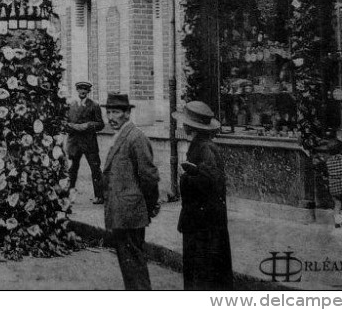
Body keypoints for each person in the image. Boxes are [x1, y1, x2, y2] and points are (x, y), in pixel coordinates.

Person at [101, 93, 160, 291]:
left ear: (127, 113)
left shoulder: (136, 137)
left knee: (134, 266)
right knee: (129, 266)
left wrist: (149, 206)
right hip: (121, 213)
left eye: (116, 112)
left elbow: (149, 177)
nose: (111, 117)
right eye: (108, 112)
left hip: (130, 213)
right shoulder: (119, 136)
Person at [174, 101, 234, 290]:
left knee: (202, 269)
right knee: (204, 268)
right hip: (203, 220)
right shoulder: (202, 145)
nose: (182, 124)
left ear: (190, 126)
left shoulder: (205, 148)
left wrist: (184, 178)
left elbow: (209, 182)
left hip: (203, 222)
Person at [65, 81, 106, 204]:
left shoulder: (94, 105)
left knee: (95, 168)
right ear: (77, 90)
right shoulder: (70, 105)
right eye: (80, 89)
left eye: (85, 89)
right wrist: (72, 126)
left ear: (88, 91)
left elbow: (101, 124)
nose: (82, 91)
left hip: (89, 143)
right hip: (74, 143)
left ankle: (99, 196)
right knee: (72, 169)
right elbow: (64, 124)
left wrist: (88, 125)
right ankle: (69, 196)